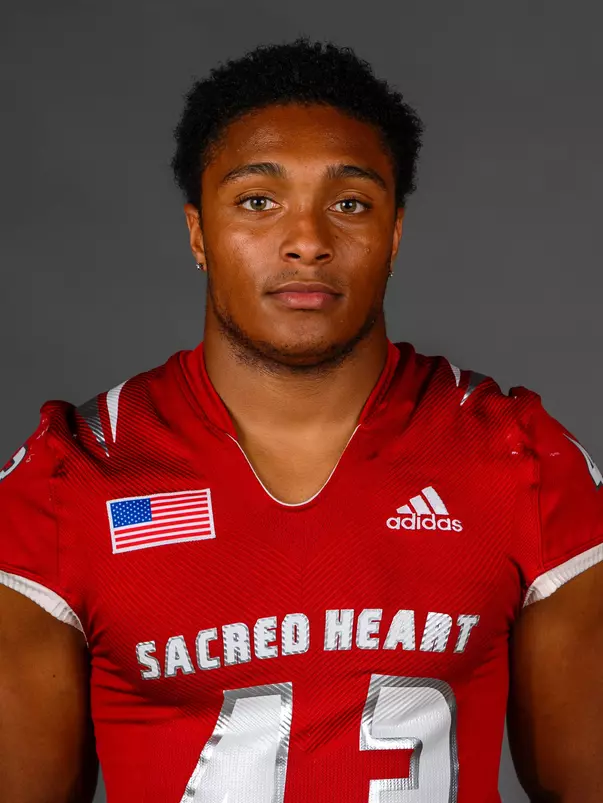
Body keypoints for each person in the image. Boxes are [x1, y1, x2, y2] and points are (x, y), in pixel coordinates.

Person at [0, 38, 601, 803]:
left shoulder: (519, 460)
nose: (308, 241)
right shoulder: (68, 480)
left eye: (349, 204)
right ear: (198, 233)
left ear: (394, 233)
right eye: (258, 201)